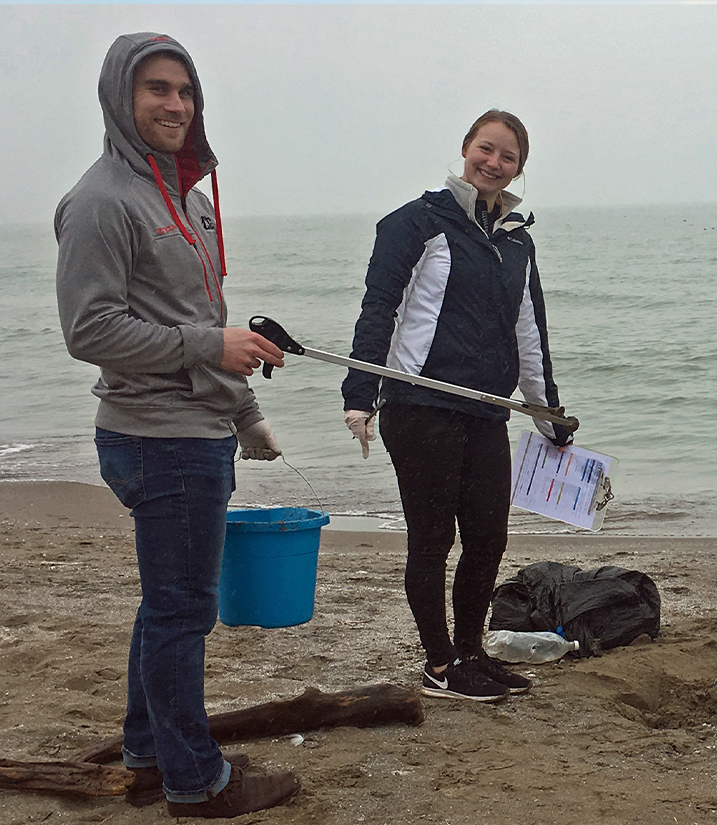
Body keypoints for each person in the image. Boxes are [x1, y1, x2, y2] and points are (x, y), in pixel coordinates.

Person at [55, 33, 300, 816]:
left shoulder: (186, 197)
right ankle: (198, 781)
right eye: (156, 89)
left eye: (186, 92)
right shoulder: (100, 201)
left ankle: (150, 753)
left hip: (198, 429)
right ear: (120, 97)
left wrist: (249, 413)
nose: (174, 105)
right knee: (182, 611)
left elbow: (204, 318)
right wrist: (211, 346)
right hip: (154, 437)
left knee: (167, 603)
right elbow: (89, 331)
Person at [341, 110, 573, 703]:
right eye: (485, 150)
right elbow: (380, 310)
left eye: (508, 157)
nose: (494, 164)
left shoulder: (517, 240)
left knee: (489, 537)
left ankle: (472, 652)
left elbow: (529, 331)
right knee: (432, 538)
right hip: (420, 406)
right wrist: (359, 395)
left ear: (519, 167)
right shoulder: (416, 223)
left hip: (486, 409)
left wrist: (548, 413)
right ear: (465, 148)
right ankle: (439, 664)